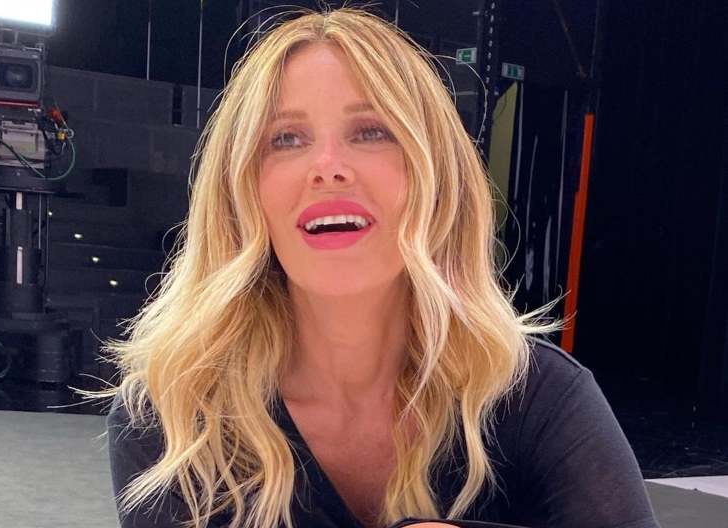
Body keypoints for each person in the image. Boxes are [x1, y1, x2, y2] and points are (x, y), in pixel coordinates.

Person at [98, 6, 662, 528]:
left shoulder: (537, 396)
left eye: (371, 131)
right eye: (286, 138)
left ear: (436, 178)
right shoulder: (172, 416)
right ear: (240, 190)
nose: (327, 167)